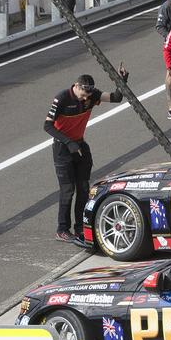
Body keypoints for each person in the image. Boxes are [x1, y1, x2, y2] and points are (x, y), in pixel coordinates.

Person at [44, 69, 127, 242]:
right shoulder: (62, 98)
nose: (85, 99)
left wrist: (122, 81)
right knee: (68, 191)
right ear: (76, 86)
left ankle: (80, 228)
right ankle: (62, 229)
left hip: (80, 146)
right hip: (63, 149)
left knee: (83, 189)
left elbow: (116, 97)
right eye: (83, 95)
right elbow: (47, 126)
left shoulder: (91, 94)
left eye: (87, 95)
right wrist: (69, 143)